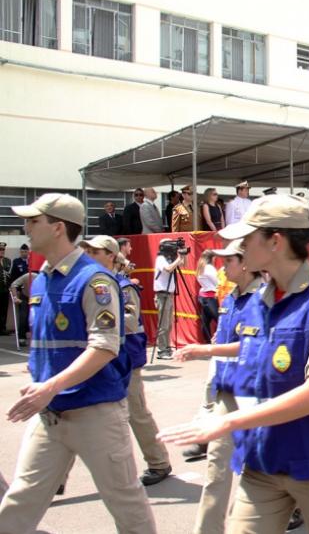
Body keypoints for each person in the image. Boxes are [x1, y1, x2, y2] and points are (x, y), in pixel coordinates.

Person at [158, 194, 309, 534]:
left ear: (275, 241)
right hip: (262, 462)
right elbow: (263, 349)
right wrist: (207, 352)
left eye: (247, 237)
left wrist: (228, 423)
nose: (239, 246)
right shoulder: (259, 299)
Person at [0, 193, 155, 533]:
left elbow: (104, 347)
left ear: (57, 228)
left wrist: (50, 385)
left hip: (95, 413)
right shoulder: (41, 278)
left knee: (126, 504)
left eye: (33, 221)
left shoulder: (94, 280)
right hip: (51, 414)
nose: (25, 227)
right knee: (19, 502)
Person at [173, 238, 264, 534]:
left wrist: (206, 350)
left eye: (229, 261)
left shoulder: (264, 299)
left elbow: (253, 346)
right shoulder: (229, 299)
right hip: (227, 394)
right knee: (216, 469)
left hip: (256, 395)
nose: (223, 267)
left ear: (246, 263)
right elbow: (224, 342)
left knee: (260, 470)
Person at [81, 236, 173, 486]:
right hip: (98, 357)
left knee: (137, 412)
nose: (88, 254)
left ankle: (159, 462)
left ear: (110, 255)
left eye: (95, 251)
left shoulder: (123, 286)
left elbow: (132, 322)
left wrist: (105, 315)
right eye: (87, 250)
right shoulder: (89, 285)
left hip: (125, 359)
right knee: (76, 411)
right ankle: (56, 474)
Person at [154, 237, 186, 359]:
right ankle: (162, 350)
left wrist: (183, 254)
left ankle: (167, 348)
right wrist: (178, 259)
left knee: (169, 324)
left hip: (170, 294)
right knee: (163, 324)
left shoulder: (170, 258)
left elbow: (183, 264)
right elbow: (168, 269)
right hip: (162, 294)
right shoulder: (161, 259)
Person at [197, 250, 220, 341]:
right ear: (212, 258)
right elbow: (217, 281)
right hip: (210, 297)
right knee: (219, 319)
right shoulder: (209, 268)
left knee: (205, 321)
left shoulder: (201, 267)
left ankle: (207, 340)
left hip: (203, 296)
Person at [0, 243, 10, 334]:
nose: (2, 251)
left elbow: (9, 274)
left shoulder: (7, 261)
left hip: (5, 289)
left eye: (3, 250)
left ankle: (3, 328)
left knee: (4, 309)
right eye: (0, 250)